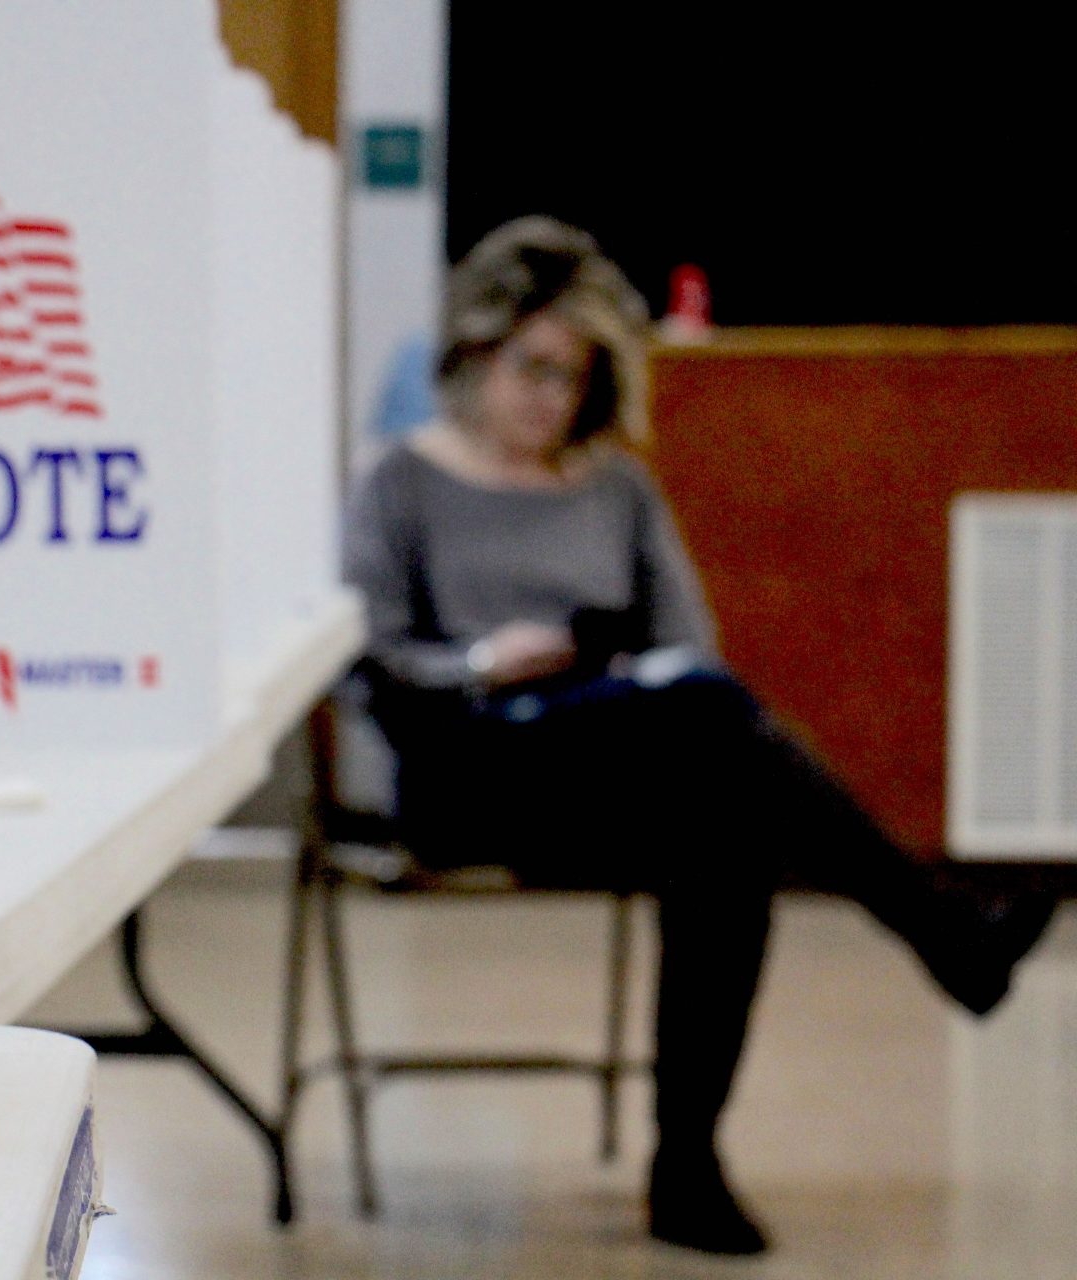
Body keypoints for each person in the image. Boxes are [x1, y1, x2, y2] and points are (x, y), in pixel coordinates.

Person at [341, 215, 1057, 1256]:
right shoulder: (399, 480)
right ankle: (947, 932)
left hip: (612, 746)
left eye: (575, 377)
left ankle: (689, 1165)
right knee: (721, 734)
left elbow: (690, 649)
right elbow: (371, 665)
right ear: (476, 349)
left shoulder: (616, 486)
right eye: (533, 367)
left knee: (730, 826)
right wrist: (489, 661)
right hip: (469, 758)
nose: (552, 396)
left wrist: (606, 673)